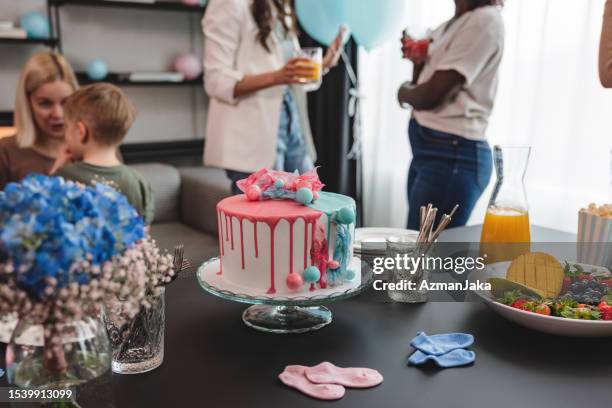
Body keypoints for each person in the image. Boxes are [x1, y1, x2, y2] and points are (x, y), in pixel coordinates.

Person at [202, 0, 344, 194]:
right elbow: (215, 80)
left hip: (291, 122)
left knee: (307, 207)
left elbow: (288, 72)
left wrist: (323, 65)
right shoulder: (228, 3)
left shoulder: (280, 5)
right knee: (261, 220)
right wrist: (277, 76)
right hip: (251, 135)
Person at [397, 0, 504, 229]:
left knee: (425, 256)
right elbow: (423, 86)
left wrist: (402, 92)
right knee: (419, 249)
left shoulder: (484, 21)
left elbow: (431, 96)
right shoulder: (450, 25)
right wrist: (418, 62)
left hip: (452, 157)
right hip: (432, 152)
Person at [51, 83, 155, 224]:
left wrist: (56, 169)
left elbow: (46, 216)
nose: (65, 135)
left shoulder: (63, 177)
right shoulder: (138, 182)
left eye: (67, 126)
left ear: (80, 131)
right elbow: (143, 233)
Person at [0, 51, 78, 190]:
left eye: (66, 102)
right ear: (27, 104)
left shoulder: (99, 145)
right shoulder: (5, 153)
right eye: (45, 103)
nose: (58, 114)